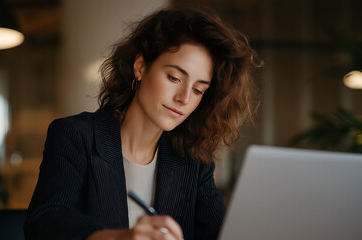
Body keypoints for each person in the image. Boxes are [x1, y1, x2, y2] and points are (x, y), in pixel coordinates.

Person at [24, 6, 261, 240]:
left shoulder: (192, 160)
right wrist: (119, 238)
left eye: (198, 90)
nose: (184, 98)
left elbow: (220, 233)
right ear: (140, 67)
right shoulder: (76, 135)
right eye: (174, 78)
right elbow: (46, 220)